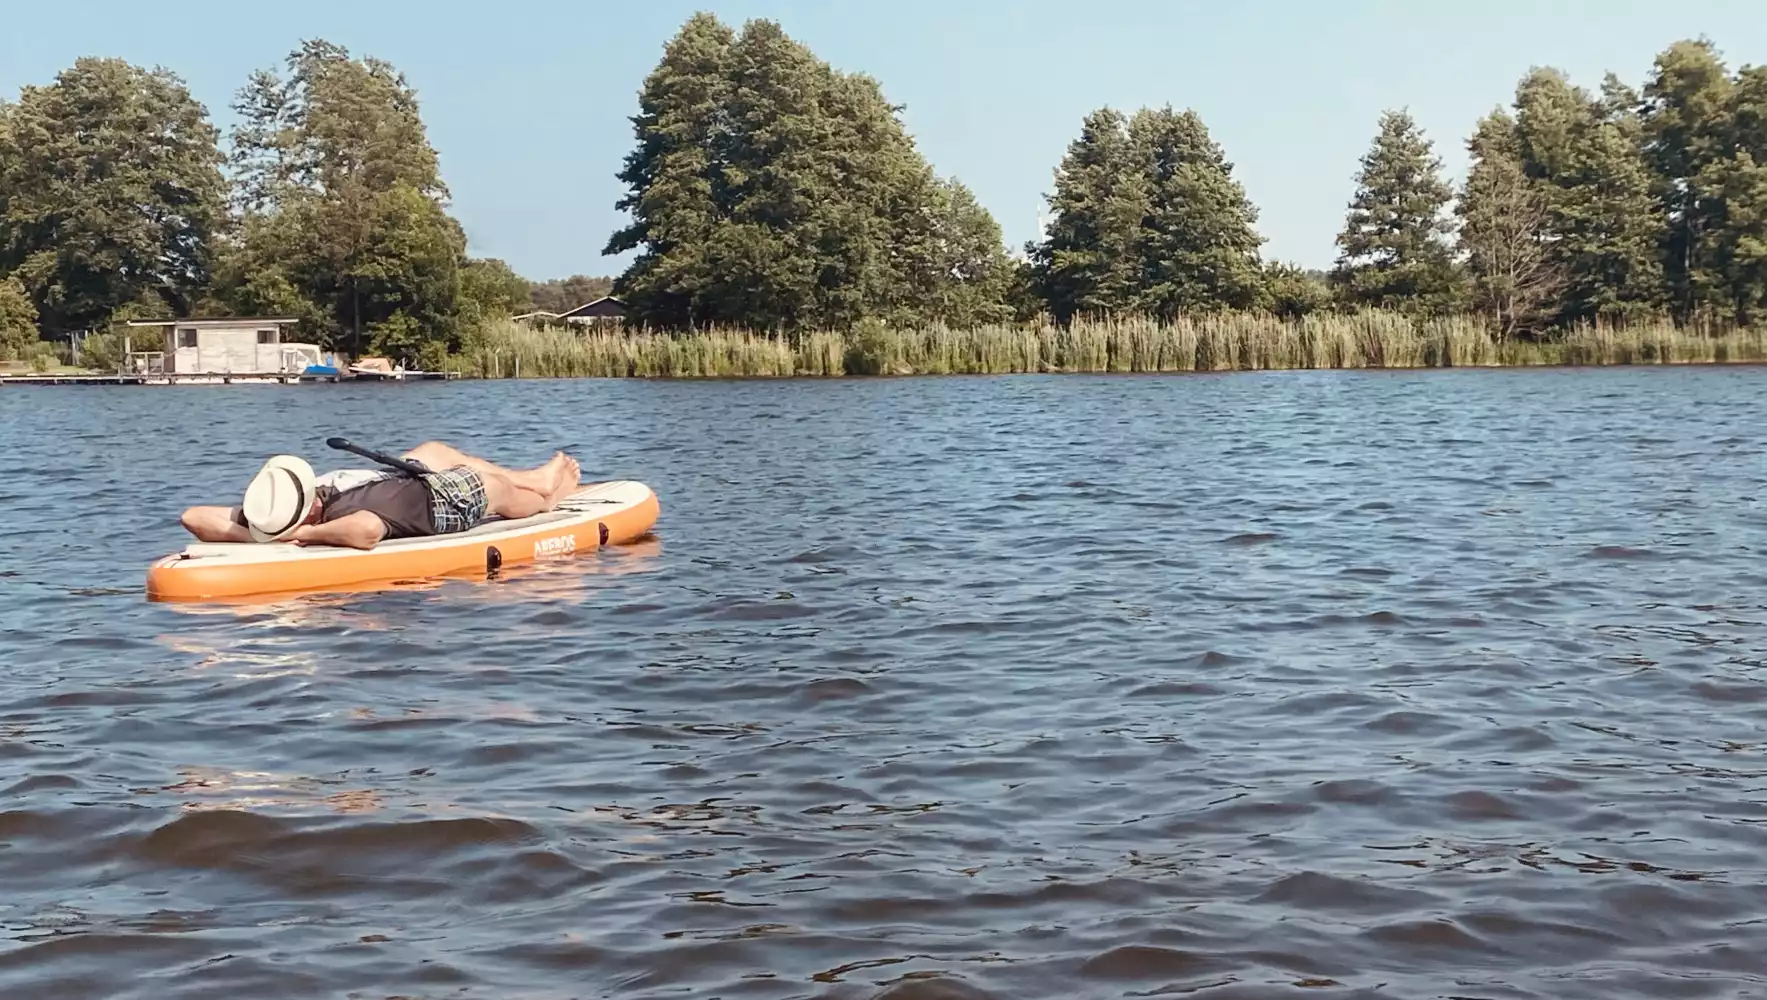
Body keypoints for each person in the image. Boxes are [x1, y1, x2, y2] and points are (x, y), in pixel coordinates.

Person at [179, 441, 581, 550]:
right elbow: (368, 531)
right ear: (308, 512)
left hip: (401, 477)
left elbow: (192, 516)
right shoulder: (338, 518)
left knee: (434, 450)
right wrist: (293, 535)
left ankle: (533, 475)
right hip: (437, 503)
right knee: (495, 489)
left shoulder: (273, 509)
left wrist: (256, 532)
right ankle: (544, 496)